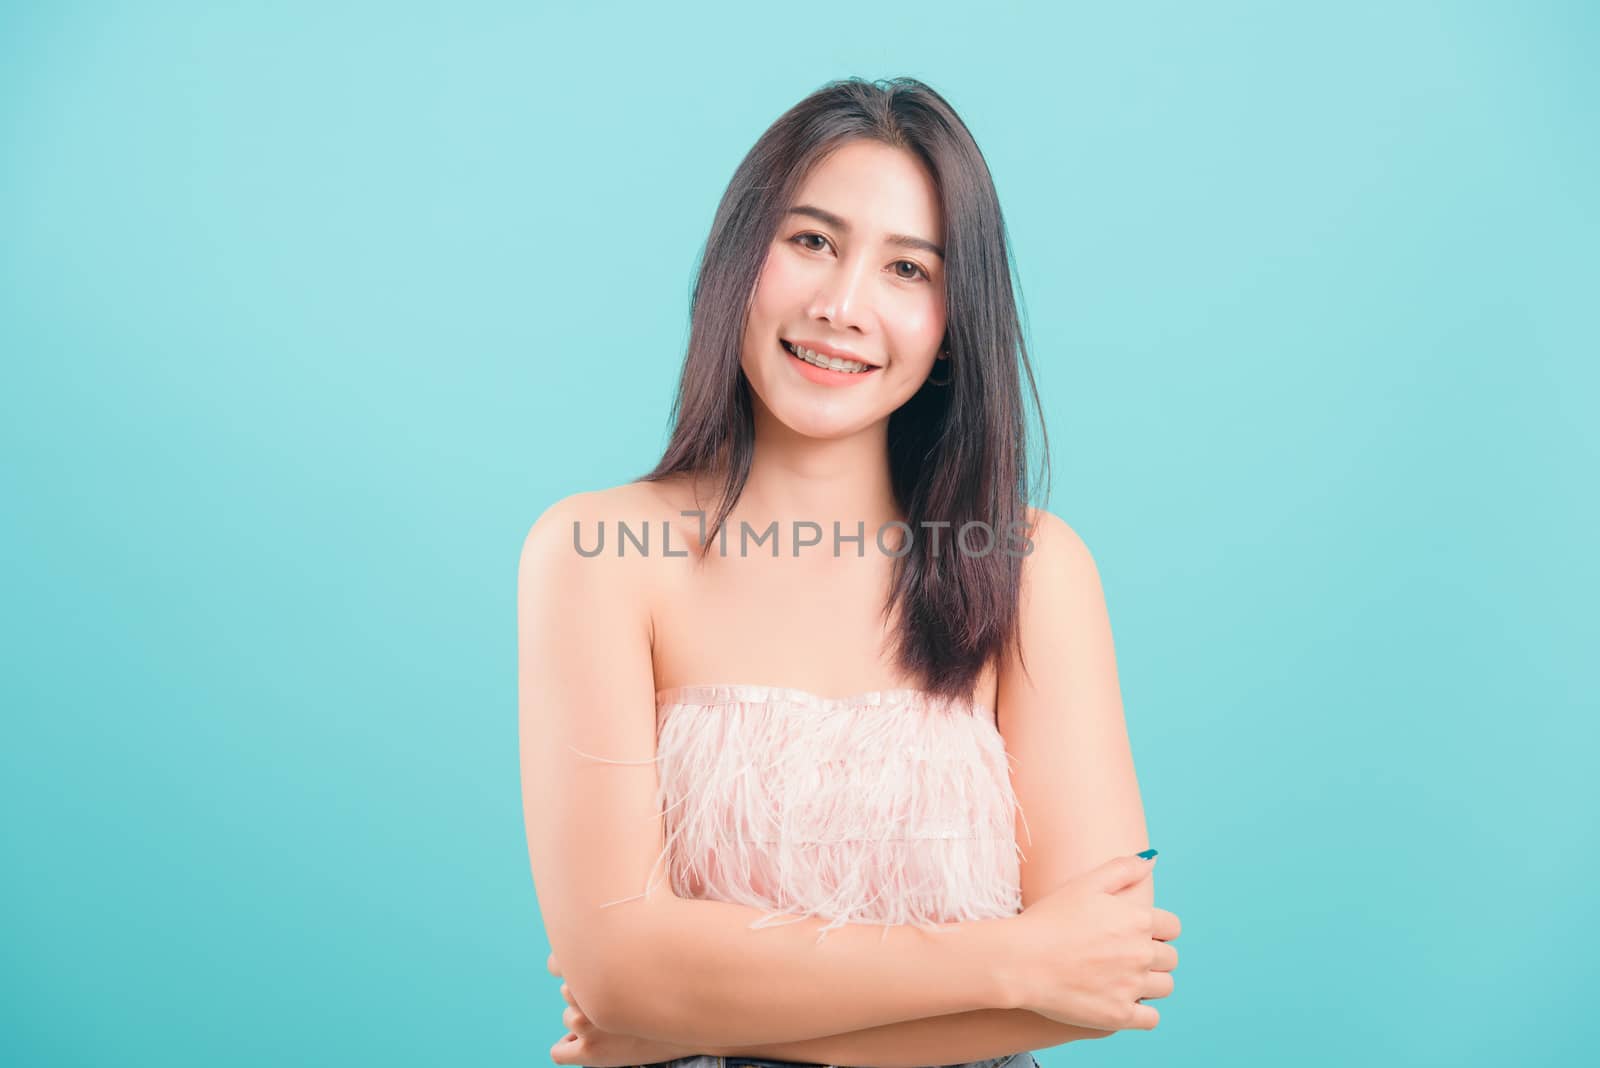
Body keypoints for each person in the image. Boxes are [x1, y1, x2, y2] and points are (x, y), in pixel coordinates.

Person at [518, 76, 1180, 1068]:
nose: (841, 306)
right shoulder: (596, 552)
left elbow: (1098, 980)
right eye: (812, 241)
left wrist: (687, 1014)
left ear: (956, 321)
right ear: (740, 257)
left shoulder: (1032, 570)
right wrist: (1012, 965)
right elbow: (616, 967)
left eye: (908, 269)